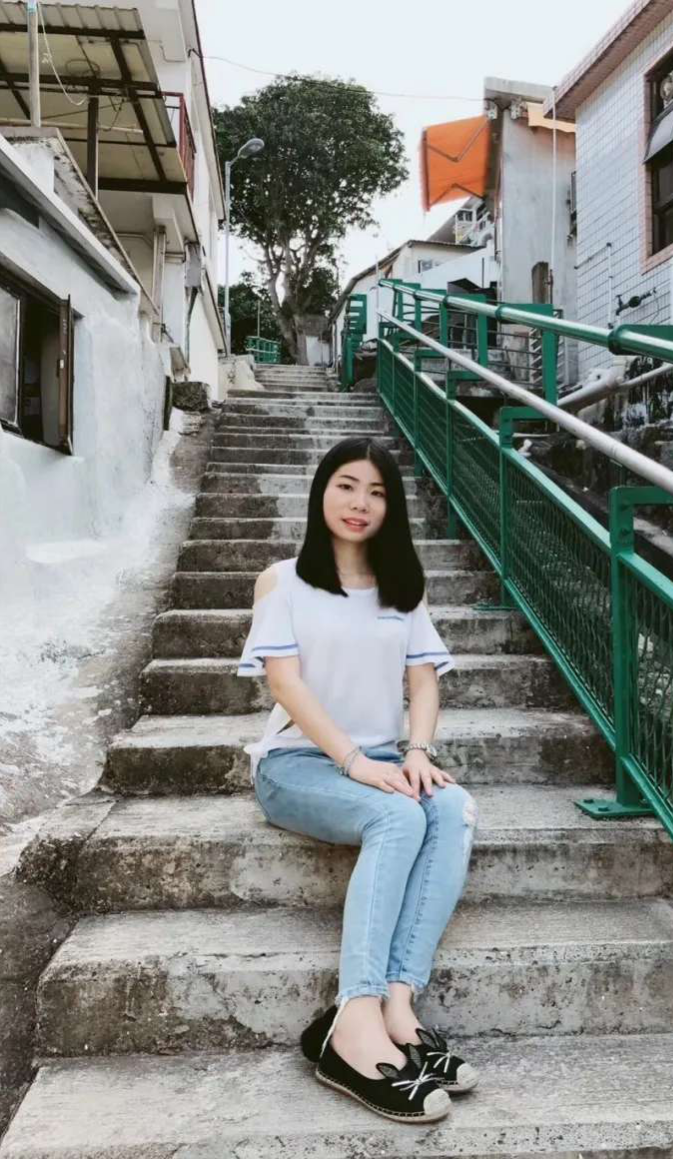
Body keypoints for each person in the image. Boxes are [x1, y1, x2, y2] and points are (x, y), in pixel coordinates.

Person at [236, 434, 480, 1124]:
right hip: (297, 765)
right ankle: (354, 1020)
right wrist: (354, 762)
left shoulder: (403, 589)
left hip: (377, 759)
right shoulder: (282, 581)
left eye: (376, 492)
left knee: (451, 805)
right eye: (346, 485)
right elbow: (284, 683)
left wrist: (417, 751)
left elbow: (423, 681)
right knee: (397, 816)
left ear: (390, 507)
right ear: (322, 491)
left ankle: (399, 1005)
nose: (359, 502)